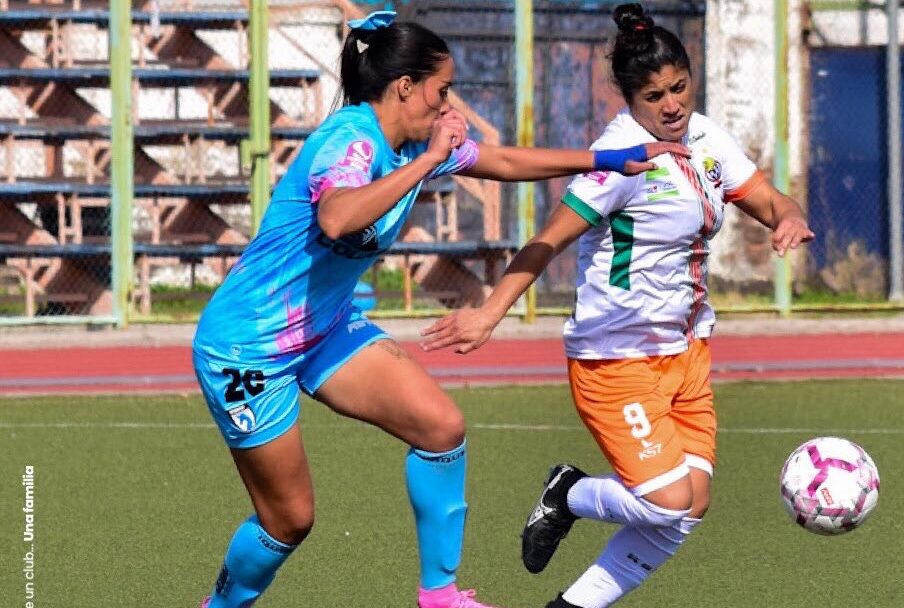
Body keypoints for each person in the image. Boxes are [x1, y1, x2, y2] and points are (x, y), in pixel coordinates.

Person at [190, 10, 684, 608]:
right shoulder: (351, 141)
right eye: (442, 90)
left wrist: (605, 160)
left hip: (322, 330)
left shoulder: (412, 141)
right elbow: (337, 217)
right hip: (249, 347)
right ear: (405, 88)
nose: (449, 102)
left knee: (441, 428)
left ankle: (440, 597)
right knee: (289, 520)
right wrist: (429, 160)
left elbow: (501, 163)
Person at [419, 4, 815, 608]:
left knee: (691, 505)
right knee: (666, 501)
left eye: (679, 86)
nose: (672, 104)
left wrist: (788, 216)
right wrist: (489, 311)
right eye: (654, 95)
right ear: (629, 99)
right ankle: (570, 493)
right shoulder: (622, 156)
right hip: (616, 358)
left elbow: (765, 196)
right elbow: (549, 239)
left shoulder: (707, 138)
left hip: (687, 353)